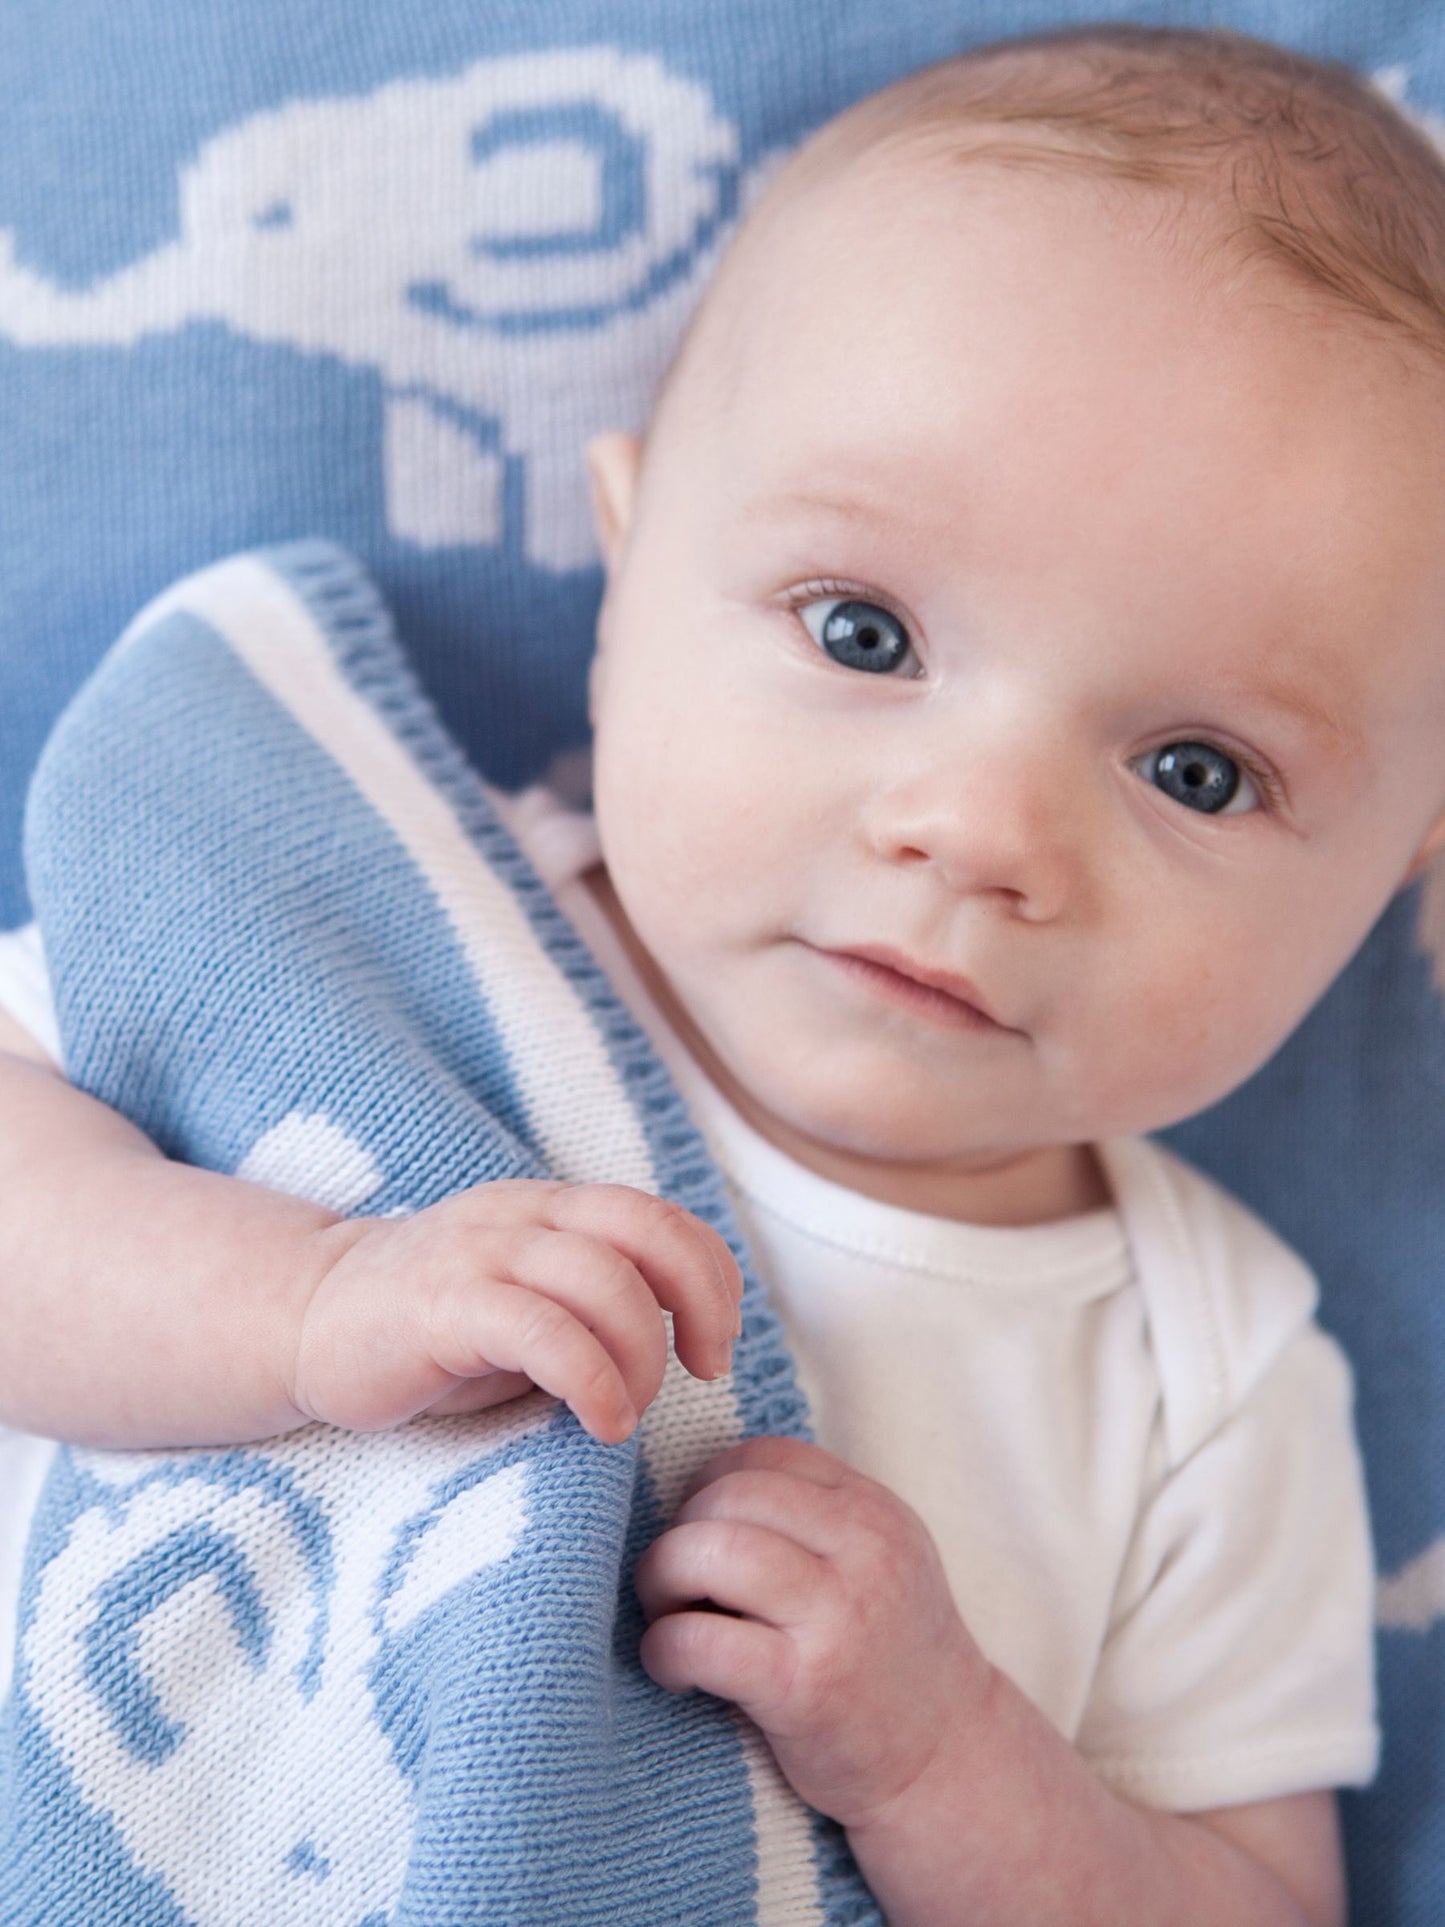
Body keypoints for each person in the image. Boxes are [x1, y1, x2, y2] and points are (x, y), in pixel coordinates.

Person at [5, 20, 1445, 1922]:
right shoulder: (345, 912)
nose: (977, 833)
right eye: (861, 633)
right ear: (626, 572)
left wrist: (944, 1757)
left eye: (1196, 772)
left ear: (1397, 869)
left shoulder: (1208, 1375)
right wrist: (300, 1304)